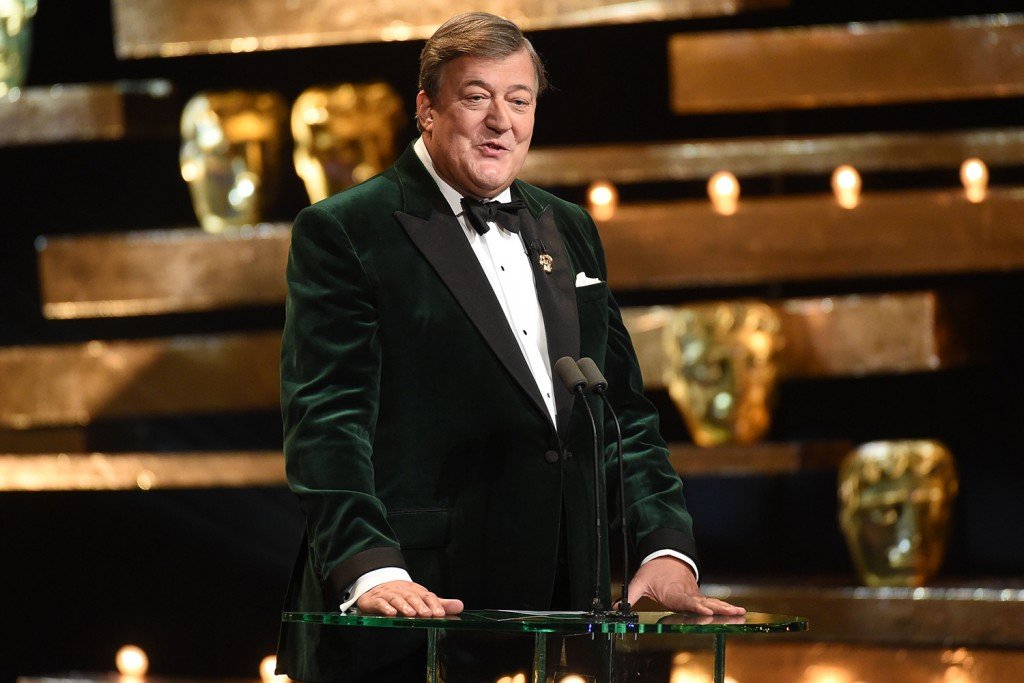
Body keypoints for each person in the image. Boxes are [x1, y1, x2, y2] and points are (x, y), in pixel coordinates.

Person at [276, 12, 743, 682]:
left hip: (559, 617)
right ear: (426, 110)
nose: (501, 121)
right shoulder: (345, 230)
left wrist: (664, 546)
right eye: (476, 97)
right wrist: (370, 568)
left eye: (519, 101)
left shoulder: (569, 227)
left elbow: (619, 412)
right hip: (411, 614)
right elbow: (327, 421)